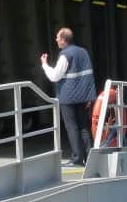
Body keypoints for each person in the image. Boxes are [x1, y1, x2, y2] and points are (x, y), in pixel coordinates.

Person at [40, 27, 95, 166]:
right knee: (84, 127)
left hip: (68, 97)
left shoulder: (65, 54)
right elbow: (88, 75)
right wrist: (89, 96)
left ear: (64, 40)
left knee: (72, 127)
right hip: (83, 96)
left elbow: (54, 76)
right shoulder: (83, 52)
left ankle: (77, 158)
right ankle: (90, 157)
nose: (56, 39)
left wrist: (45, 65)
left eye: (58, 37)